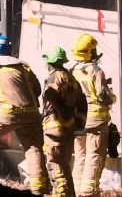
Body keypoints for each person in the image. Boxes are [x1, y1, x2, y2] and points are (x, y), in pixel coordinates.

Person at [0, 34, 48, 195]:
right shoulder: (23, 66)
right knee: (34, 148)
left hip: (6, 112)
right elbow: (37, 89)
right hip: (32, 113)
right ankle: (39, 187)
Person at [70, 33, 116, 197]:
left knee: (80, 154)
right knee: (94, 154)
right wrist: (113, 98)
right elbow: (103, 96)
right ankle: (88, 191)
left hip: (77, 120)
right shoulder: (95, 71)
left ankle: (75, 189)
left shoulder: (70, 71)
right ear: (90, 52)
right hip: (96, 120)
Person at [41, 46, 86, 197]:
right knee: (65, 165)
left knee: (55, 163)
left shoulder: (55, 76)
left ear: (50, 62)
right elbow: (82, 103)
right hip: (69, 128)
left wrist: (63, 115)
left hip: (55, 126)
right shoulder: (71, 78)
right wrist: (78, 124)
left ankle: (60, 194)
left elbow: (50, 95)